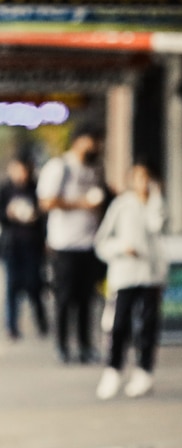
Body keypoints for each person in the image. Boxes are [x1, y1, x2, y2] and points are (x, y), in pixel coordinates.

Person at [94, 164, 167, 399]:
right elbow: (102, 241)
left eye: (146, 178)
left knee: (147, 324)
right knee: (119, 324)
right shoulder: (121, 205)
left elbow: (156, 228)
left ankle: (144, 370)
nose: (142, 183)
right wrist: (121, 248)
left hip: (151, 273)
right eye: (137, 178)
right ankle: (113, 369)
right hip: (124, 273)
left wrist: (154, 200)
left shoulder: (157, 204)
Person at [36, 124, 108, 364]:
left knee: (87, 299)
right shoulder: (60, 167)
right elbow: (46, 202)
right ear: (79, 141)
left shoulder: (95, 169)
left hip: (90, 243)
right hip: (64, 245)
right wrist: (81, 204)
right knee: (65, 299)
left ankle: (86, 346)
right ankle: (63, 345)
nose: (97, 147)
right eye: (94, 141)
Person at [0, 156, 48, 341]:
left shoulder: (36, 189)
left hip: (33, 245)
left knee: (34, 285)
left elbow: (44, 215)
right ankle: (11, 326)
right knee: (12, 287)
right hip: (12, 245)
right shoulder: (5, 190)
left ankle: (41, 321)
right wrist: (8, 213)